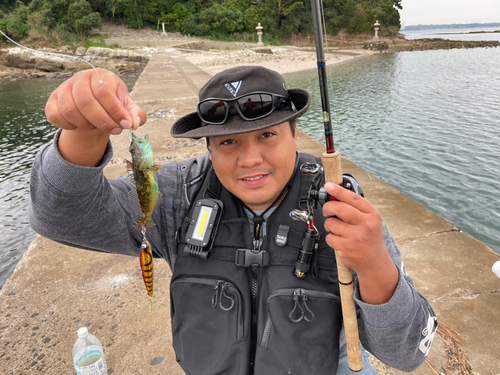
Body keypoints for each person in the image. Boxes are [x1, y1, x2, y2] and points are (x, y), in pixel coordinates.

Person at [30, 66, 437, 375]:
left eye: (268, 135)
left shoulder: (339, 204)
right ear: (208, 147)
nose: (250, 160)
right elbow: (60, 216)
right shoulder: (176, 195)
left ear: (296, 134)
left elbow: (406, 354)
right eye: (228, 142)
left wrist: (374, 263)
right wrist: (82, 133)